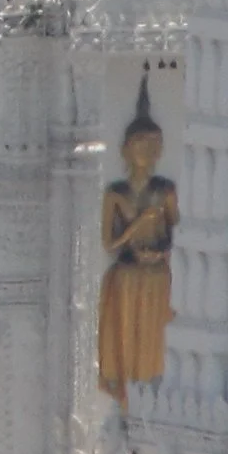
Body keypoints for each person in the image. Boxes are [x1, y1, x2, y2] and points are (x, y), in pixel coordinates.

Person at [97, 77, 175, 403]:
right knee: (126, 336)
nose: (149, 151)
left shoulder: (164, 189)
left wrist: (158, 253)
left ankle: (151, 393)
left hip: (155, 276)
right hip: (126, 274)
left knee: (152, 339)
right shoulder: (116, 193)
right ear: (125, 149)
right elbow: (110, 245)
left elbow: (172, 234)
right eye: (141, 143)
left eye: (154, 144)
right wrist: (135, 228)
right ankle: (125, 392)